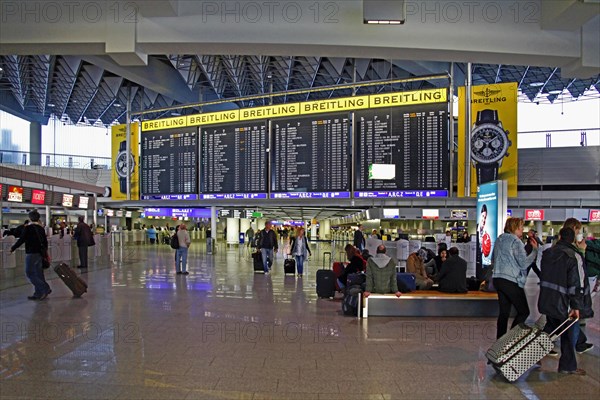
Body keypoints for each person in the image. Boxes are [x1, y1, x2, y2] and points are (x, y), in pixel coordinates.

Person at [538, 227, 588, 375]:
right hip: (564, 303)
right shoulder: (573, 256)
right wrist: (576, 306)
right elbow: (576, 284)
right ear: (573, 239)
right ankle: (568, 366)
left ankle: (532, 354)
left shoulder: (548, 253)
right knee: (568, 334)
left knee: (550, 329)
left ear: (559, 236)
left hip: (547, 299)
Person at [491, 217, 538, 339]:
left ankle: (500, 341)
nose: (522, 230)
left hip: (498, 278)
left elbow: (493, 259)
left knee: (504, 313)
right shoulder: (516, 242)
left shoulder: (499, 239)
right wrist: (534, 251)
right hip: (510, 280)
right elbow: (523, 263)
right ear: (515, 228)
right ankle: (509, 340)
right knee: (524, 311)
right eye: (521, 227)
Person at [561, 218, 594, 355]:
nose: (579, 233)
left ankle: (579, 343)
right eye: (578, 230)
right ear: (573, 229)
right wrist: (582, 252)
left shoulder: (557, 247)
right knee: (571, 318)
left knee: (560, 319)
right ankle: (569, 360)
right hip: (569, 290)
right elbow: (578, 273)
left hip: (558, 291)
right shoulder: (573, 251)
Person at [9, 210, 51, 300]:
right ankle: (38, 293)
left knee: (30, 273)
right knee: (38, 273)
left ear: (30, 218)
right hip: (40, 253)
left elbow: (21, 240)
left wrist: (13, 248)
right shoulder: (41, 228)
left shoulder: (28, 228)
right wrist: (45, 253)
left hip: (31, 253)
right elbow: (45, 242)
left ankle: (45, 288)